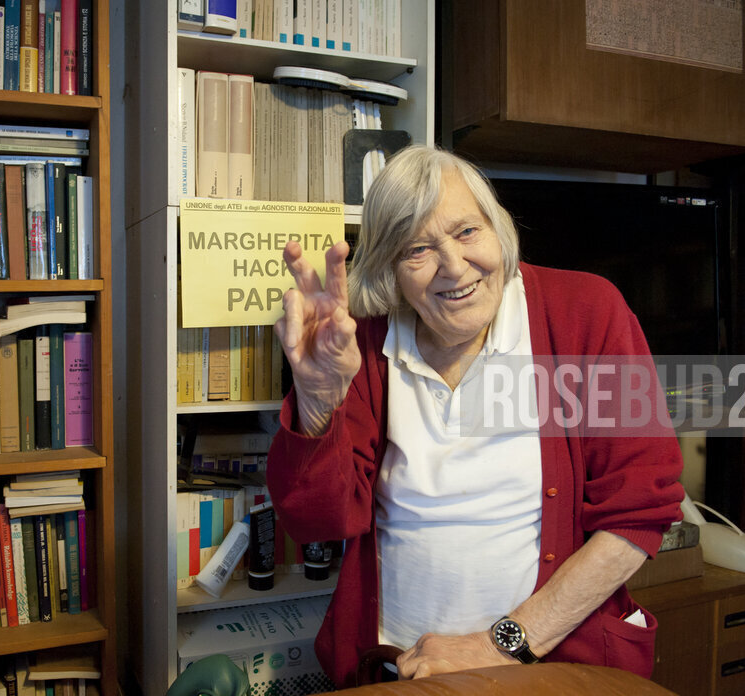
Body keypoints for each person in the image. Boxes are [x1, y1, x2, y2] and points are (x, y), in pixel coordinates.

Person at [266, 145, 684, 686]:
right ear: (391, 270)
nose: (455, 267)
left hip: (546, 666)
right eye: (418, 248)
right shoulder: (365, 340)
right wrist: (319, 396)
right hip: (398, 666)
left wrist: (501, 644)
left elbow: (637, 516)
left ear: (499, 227)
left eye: (467, 232)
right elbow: (317, 522)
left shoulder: (586, 311)